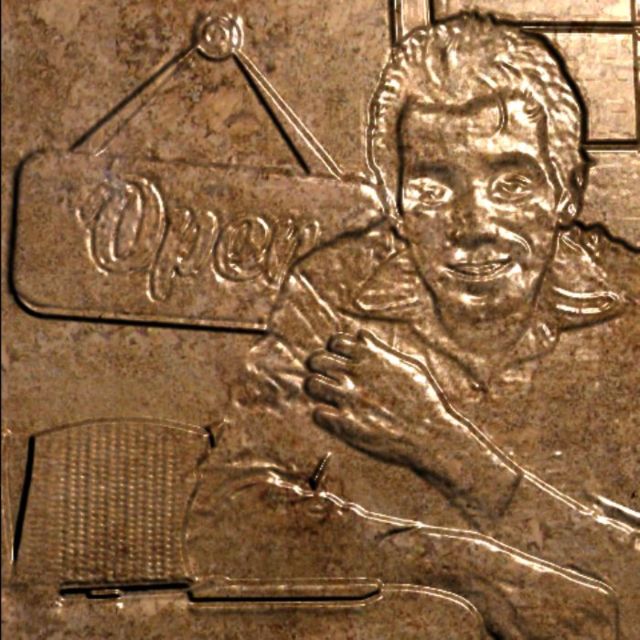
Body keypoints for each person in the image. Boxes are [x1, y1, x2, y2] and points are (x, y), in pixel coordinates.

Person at [187, 13, 639, 638]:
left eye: (511, 183)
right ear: (394, 203)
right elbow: (222, 523)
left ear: (568, 190)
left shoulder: (633, 312)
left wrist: (443, 447)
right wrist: (463, 571)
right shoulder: (332, 293)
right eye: (432, 189)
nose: (473, 226)